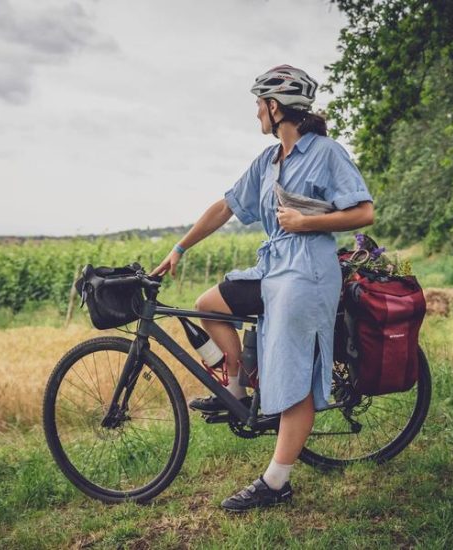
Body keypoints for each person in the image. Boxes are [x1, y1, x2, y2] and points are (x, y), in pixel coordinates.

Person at [150, 65, 374, 511]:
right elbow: (225, 206)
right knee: (209, 304)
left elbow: (364, 212)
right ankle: (236, 389)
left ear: (275, 107)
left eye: (259, 105)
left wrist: (308, 221)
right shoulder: (268, 163)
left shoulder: (327, 153)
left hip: (307, 273)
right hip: (274, 268)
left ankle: (276, 481)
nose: (256, 114)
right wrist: (180, 247)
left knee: (293, 377)